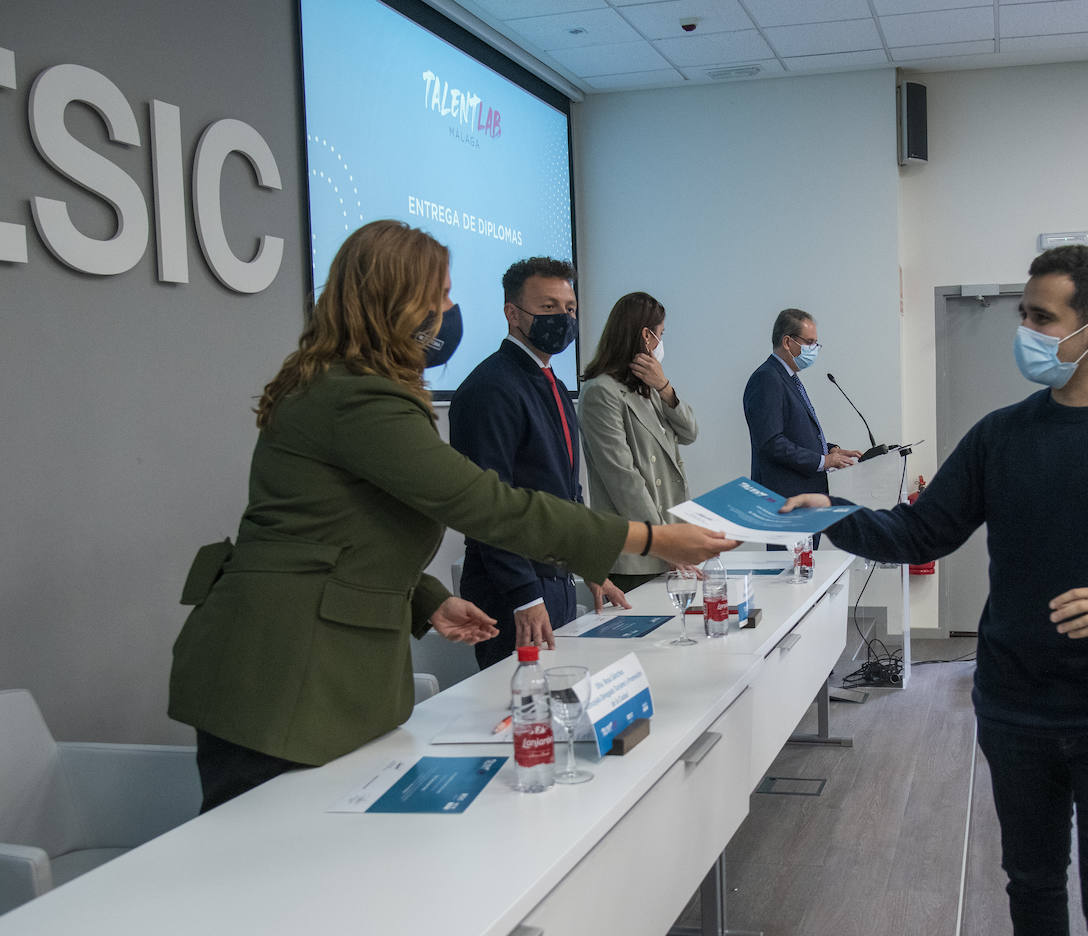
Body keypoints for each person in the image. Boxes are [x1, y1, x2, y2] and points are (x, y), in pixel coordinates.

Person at [168, 221, 735, 811]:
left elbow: (344, 532)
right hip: (280, 670)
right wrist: (648, 536)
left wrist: (425, 597)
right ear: (395, 299)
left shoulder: (351, 386)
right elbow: (486, 503)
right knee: (267, 865)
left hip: (310, 665)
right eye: (438, 294)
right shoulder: (357, 396)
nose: (450, 308)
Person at [781, 246, 1088, 936]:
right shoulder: (1002, 436)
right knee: (1031, 892)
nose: (1024, 330)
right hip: (1018, 707)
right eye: (1022, 313)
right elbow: (922, 533)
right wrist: (834, 515)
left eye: (1041, 316)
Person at [449, 257, 627, 670]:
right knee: (526, 717)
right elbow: (490, 507)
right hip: (513, 592)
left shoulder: (552, 383)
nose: (563, 318)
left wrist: (589, 564)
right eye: (548, 308)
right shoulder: (490, 389)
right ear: (513, 313)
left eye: (569, 309)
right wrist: (524, 595)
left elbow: (565, 491)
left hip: (556, 580)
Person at [580, 292, 698, 594]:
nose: (661, 343)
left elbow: (689, 433)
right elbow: (624, 479)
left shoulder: (647, 386)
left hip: (668, 541)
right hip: (635, 552)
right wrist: (662, 543)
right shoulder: (600, 392)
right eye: (660, 334)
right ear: (646, 336)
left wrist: (664, 386)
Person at [742, 307, 860, 547]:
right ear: (787, 342)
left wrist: (830, 451)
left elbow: (796, 434)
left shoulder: (789, 378)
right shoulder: (767, 379)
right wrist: (823, 462)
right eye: (810, 342)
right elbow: (772, 442)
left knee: (805, 576)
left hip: (804, 498)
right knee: (788, 579)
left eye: (817, 343)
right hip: (785, 501)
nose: (814, 349)